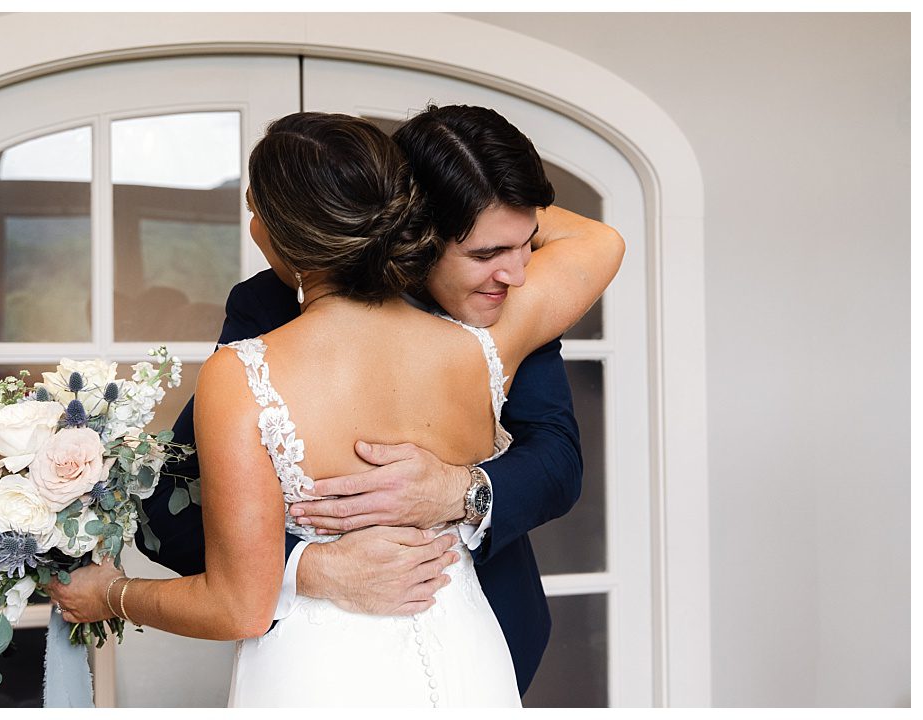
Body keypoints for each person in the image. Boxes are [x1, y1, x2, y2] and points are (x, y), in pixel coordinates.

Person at [47, 111, 623, 707]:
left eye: (525, 245)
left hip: (466, 644)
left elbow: (557, 461)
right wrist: (306, 569)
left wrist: (461, 491)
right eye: (487, 252)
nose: (516, 271)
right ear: (417, 224)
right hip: (413, 647)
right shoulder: (487, 347)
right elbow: (169, 502)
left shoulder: (252, 372)